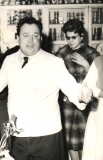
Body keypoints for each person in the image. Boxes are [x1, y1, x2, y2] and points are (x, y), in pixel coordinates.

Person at [0, 17, 92, 160]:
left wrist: (82, 94)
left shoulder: (54, 62)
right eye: (26, 36)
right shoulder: (9, 60)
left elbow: (71, 87)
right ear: (17, 37)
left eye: (35, 36)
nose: (31, 40)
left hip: (47, 136)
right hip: (18, 137)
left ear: (41, 39)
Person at [55, 19, 100, 160]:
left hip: (86, 105)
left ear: (81, 36)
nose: (70, 41)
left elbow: (100, 81)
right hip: (66, 105)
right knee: (69, 142)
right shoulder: (61, 54)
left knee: (84, 142)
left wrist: (87, 66)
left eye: (73, 37)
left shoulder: (92, 54)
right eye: (67, 37)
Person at [82, 55, 103, 160]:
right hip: (101, 107)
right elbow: (88, 84)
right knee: (98, 145)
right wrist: (101, 93)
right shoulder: (99, 60)